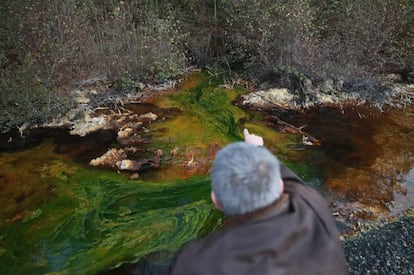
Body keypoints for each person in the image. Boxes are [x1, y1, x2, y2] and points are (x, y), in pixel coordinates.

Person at [171, 129, 348, 275]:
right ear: (280, 186)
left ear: (216, 200)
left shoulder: (198, 263)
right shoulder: (311, 205)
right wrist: (258, 151)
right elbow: (291, 183)